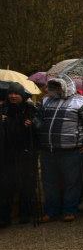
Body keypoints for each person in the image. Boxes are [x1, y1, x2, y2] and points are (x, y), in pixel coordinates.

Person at [37, 75, 83, 222]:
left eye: (58, 86)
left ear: (67, 86)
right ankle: (51, 211)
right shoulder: (46, 100)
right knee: (49, 182)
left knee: (71, 182)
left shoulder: (82, 102)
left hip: (72, 150)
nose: (56, 89)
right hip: (48, 150)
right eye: (53, 86)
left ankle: (69, 210)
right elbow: (38, 120)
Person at [0, 83, 38, 227]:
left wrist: (32, 124)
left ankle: (25, 214)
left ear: (22, 95)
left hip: (26, 153)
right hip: (7, 154)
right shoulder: (4, 109)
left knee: (26, 185)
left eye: (16, 93)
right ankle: (4, 217)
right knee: (6, 186)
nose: (13, 96)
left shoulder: (30, 109)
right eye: (11, 93)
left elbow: (39, 126)